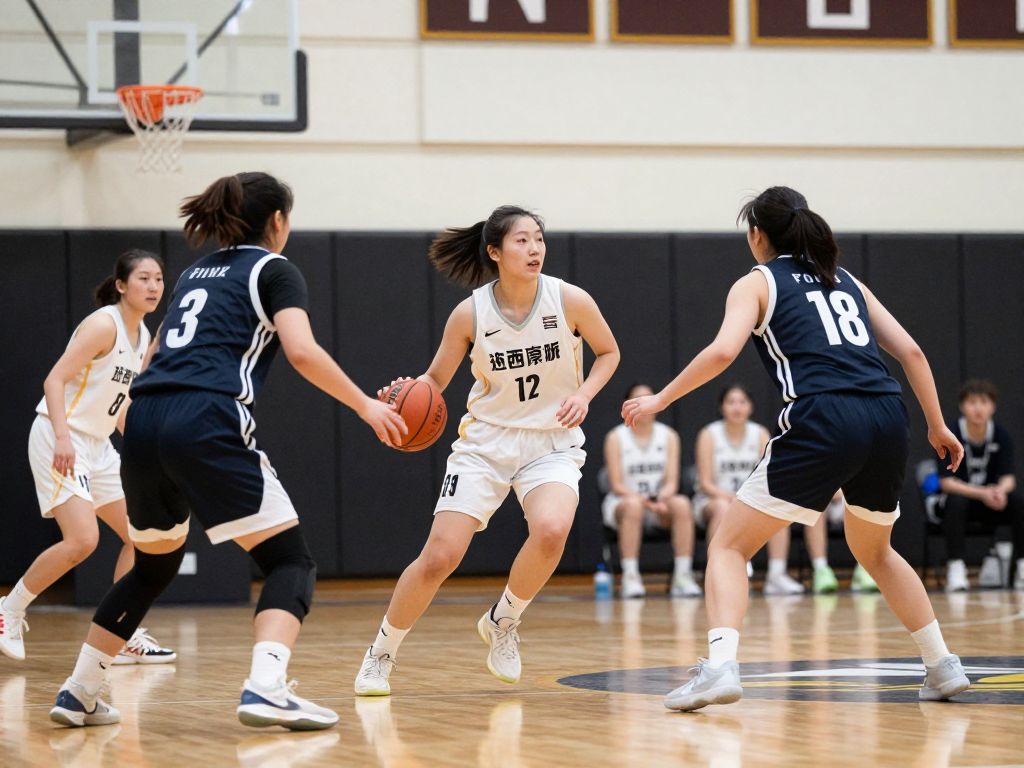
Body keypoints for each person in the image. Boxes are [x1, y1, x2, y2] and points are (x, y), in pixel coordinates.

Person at [47, 172, 406, 730]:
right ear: (278, 221)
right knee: (289, 561)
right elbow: (303, 351)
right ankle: (266, 686)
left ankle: (80, 690)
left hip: (142, 417)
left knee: (150, 566)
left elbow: (152, 357)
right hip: (206, 416)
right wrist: (366, 405)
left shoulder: (195, 273)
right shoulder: (274, 270)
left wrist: (143, 425)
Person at [623, 186, 970, 711]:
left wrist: (661, 399)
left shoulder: (757, 281)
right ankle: (942, 664)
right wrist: (938, 426)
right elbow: (912, 352)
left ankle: (720, 668)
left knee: (728, 546)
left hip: (824, 415)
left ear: (757, 235)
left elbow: (722, 351)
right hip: (886, 415)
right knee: (876, 552)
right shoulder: (847, 280)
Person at [354, 205, 619, 696]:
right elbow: (435, 381)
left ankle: (503, 620)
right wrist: (405, 394)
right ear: (495, 252)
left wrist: (583, 395)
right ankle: (381, 654)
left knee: (552, 528)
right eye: (522, 241)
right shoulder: (470, 313)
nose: (534, 248)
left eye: (538, 239)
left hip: (550, 440)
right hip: (486, 443)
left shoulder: (570, 299)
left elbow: (609, 352)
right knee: (440, 557)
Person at [0, 251, 175, 665]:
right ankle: (8, 609)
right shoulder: (103, 324)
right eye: (144, 279)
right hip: (60, 436)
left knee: (142, 538)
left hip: (97, 445)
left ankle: (122, 630)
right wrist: (62, 436)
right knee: (83, 540)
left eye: (158, 279)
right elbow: (54, 379)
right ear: (121, 285)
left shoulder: (141, 336)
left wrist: (149, 450)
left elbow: (118, 409)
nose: (152, 287)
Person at [694, 383, 855, 595]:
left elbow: (768, 471)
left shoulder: (759, 433)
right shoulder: (709, 434)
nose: (737, 407)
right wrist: (732, 498)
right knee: (723, 508)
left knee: (777, 507)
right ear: (722, 407)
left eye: (742, 402)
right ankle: (718, 575)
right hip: (714, 499)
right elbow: (705, 483)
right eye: (731, 402)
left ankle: (776, 575)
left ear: (750, 407)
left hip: (749, 498)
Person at [602, 383, 700, 599]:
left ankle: (683, 576)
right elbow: (617, 484)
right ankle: (631, 576)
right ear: (627, 405)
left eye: (648, 399)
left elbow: (672, 481)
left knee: (682, 504)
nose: (643, 404)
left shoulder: (669, 436)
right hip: (623, 503)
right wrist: (646, 502)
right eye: (637, 399)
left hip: (659, 504)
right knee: (633, 506)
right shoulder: (616, 437)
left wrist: (663, 497)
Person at [937, 379, 1024, 592]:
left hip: (991, 503)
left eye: (984, 402)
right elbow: (947, 483)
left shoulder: (1002, 436)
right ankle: (956, 569)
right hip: (963, 503)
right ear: (962, 406)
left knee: (1019, 502)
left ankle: (1022, 566)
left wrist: (999, 491)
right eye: (972, 402)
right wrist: (983, 492)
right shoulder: (951, 435)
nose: (978, 408)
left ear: (992, 406)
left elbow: (1008, 478)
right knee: (955, 502)